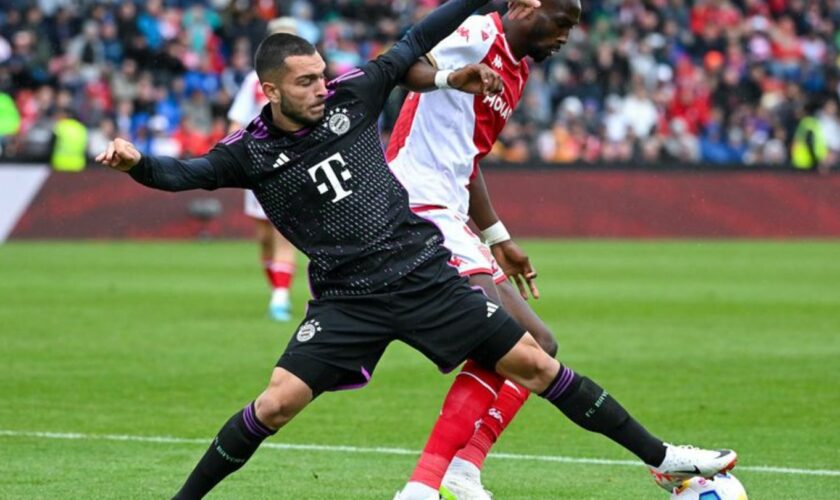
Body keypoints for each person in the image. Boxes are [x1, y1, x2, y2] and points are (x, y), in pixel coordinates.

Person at [95, 0, 737, 498]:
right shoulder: (251, 152)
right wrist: (136, 163)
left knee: (538, 365)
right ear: (270, 91)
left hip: (423, 274)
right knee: (275, 404)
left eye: (322, 74)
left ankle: (663, 460)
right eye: (306, 82)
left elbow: (411, 42)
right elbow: (185, 173)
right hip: (348, 299)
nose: (323, 86)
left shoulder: (354, 96)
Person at [386, 1, 569, 496]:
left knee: (541, 346)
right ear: (528, 7)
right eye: (562, 23)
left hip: (451, 210)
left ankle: (464, 468)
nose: (566, 37)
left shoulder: (517, 70)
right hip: (415, 198)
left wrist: (497, 237)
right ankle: (422, 487)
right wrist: (450, 77)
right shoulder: (476, 31)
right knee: (498, 336)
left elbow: (468, 158)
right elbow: (402, 65)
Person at [228, 17, 302, 321]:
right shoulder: (253, 82)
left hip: (292, 165)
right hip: (260, 165)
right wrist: (231, 153)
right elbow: (237, 120)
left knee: (282, 232)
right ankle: (277, 290)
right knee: (263, 238)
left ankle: (280, 298)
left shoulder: (306, 78)